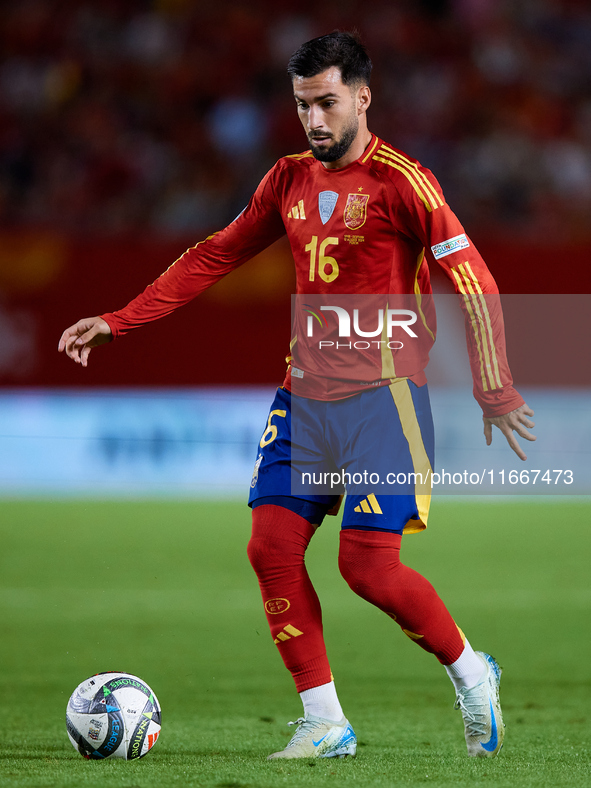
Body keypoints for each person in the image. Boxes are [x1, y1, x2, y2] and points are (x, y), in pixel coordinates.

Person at [59, 31, 536, 760]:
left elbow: (473, 280)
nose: (313, 120)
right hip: (303, 401)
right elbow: (215, 252)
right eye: (301, 105)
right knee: (270, 546)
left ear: (361, 97)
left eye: (327, 103)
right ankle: (324, 721)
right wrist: (121, 321)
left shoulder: (403, 182)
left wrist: (494, 388)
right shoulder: (286, 180)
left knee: (366, 570)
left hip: (384, 402)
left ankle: (473, 674)